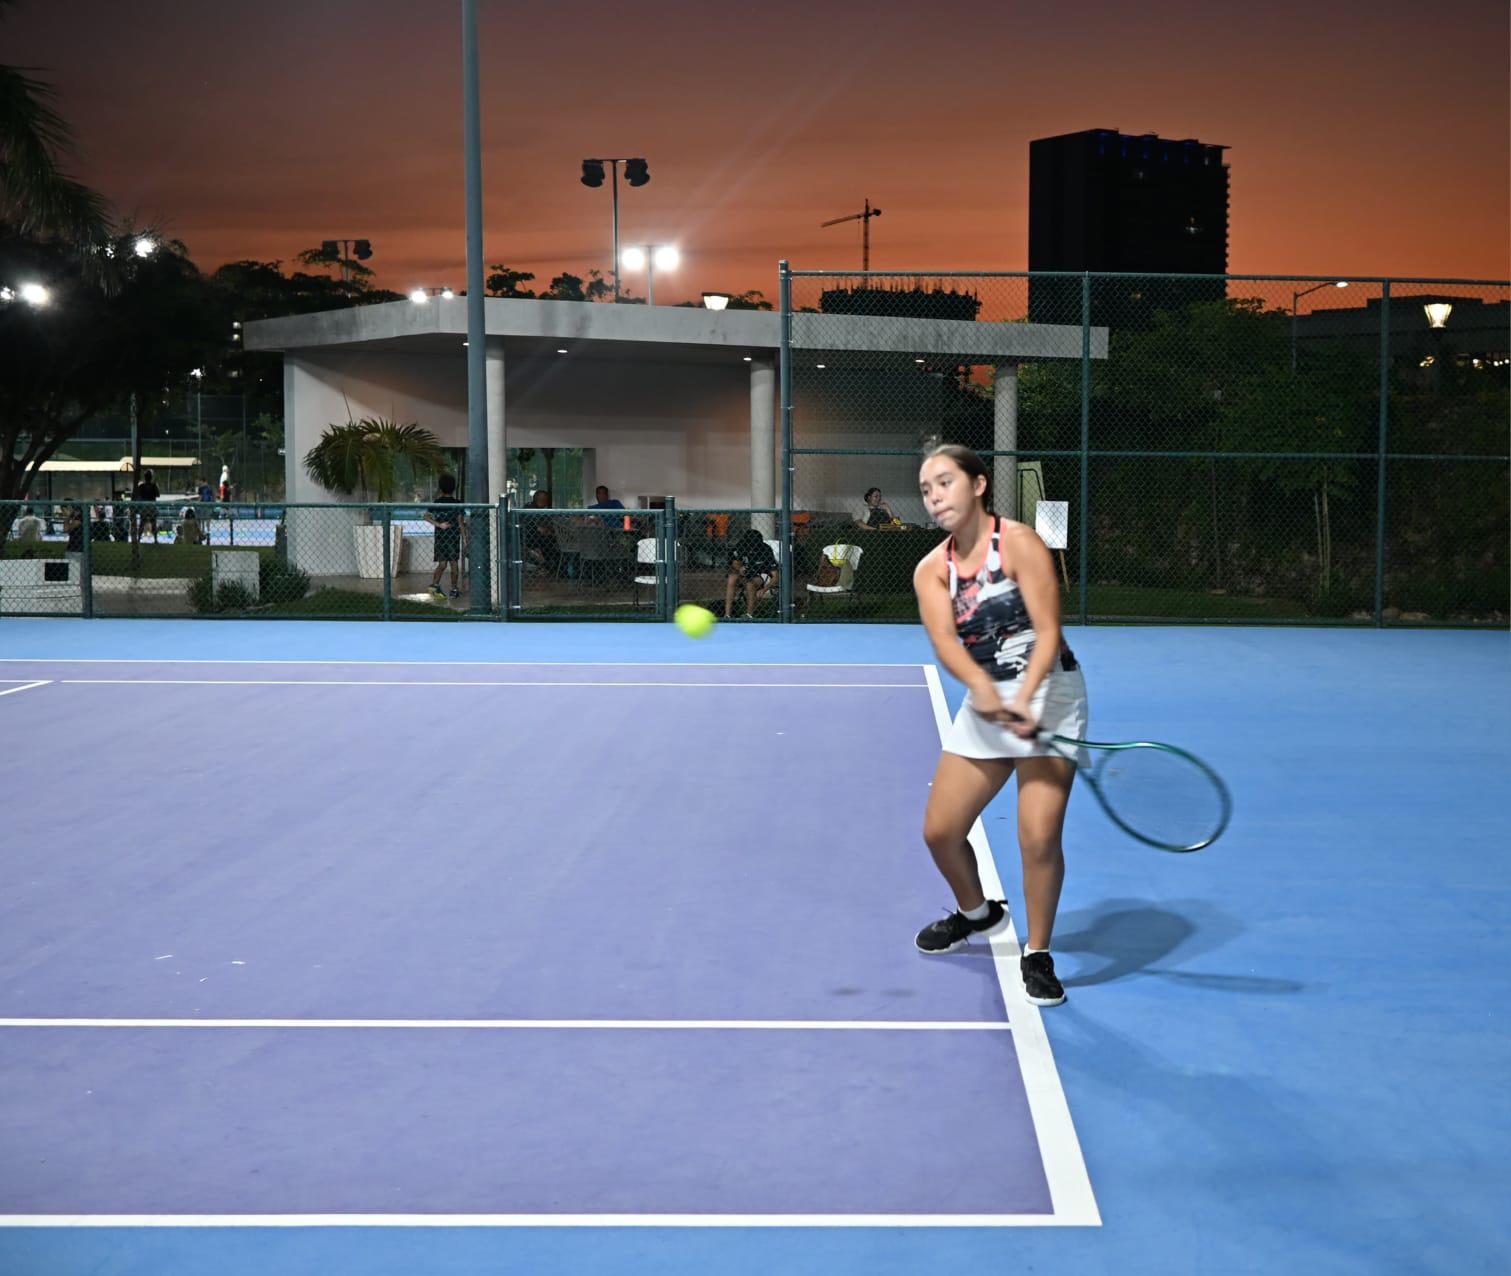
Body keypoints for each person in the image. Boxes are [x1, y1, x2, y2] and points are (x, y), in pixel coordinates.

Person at [910, 443, 1088, 1008]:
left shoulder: (1018, 543)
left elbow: (1047, 626)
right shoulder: (930, 571)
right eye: (926, 488)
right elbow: (946, 643)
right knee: (940, 831)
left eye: (945, 482)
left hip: (1051, 694)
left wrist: (1027, 697)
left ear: (979, 484)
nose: (935, 495)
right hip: (988, 702)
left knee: (1037, 835)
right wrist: (986, 690)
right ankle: (977, 913)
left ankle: (1037, 952)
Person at [425, 474, 466, 598]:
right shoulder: (457, 503)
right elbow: (460, 523)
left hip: (441, 538)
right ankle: (453, 589)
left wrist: (438, 524)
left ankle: (434, 585)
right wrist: (465, 538)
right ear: (453, 488)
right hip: (452, 538)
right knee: (454, 564)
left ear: (441, 488)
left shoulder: (437, 503)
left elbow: (426, 516)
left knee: (442, 564)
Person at [723, 527, 778, 619]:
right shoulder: (741, 545)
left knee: (750, 584)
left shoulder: (765, 549)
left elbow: (776, 576)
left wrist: (764, 590)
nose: (751, 549)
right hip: (746, 573)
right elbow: (734, 562)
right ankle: (727, 614)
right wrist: (740, 568)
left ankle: (749, 615)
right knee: (731, 579)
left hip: (760, 574)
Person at [522, 489, 559, 572]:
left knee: (553, 540)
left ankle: (551, 566)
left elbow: (545, 525)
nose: (546, 503)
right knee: (551, 541)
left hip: (537, 537)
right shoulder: (529, 508)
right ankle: (549, 566)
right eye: (545, 500)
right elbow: (538, 528)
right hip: (530, 539)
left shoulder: (539, 510)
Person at [132, 468, 161, 543]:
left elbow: (138, 495)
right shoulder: (153, 485)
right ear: (151, 477)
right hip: (151, 505)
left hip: (144, 505)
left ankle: (138, 539)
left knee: (142, 522)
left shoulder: (141, 486)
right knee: (153, 523)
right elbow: (158, 495)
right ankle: (155, 539)